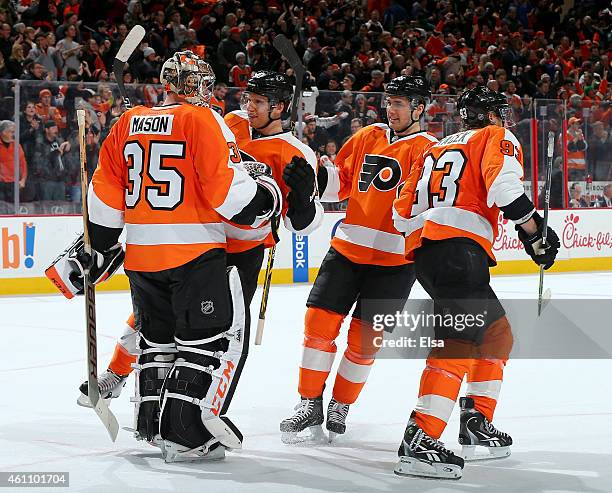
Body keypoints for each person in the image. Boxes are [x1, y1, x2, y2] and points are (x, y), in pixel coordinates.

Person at [76, 51, 283, 463]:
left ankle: (151, 424)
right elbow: (228, 195)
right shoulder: (203, 120)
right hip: (193, 250)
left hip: (141, 257)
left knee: (156, 342)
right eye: (202, 83)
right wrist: (266, 193)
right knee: (204, 343)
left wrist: (99, 243)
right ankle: (186, 437)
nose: (207, 91)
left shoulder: (126, 123)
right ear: (189, 85)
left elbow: (102, 203)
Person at [392, 86, 560, 479]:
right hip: (459, 255)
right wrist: (535, 234)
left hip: (428, 255)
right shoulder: (495, 137)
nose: (504, 119)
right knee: (460, 340)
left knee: (497, 334)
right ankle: (421, 436)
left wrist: (438, 225)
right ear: (490, 115)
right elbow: (504, 190)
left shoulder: (434, 149)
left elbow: (402, 216)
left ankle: (476, 423)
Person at [279, 75, 437, 442]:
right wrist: (315, 176)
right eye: (390, 102)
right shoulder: (369, 136)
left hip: (396, 264)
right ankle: (309, 403)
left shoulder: (430, 149)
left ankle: (341, 405)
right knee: (317, 328)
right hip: (347, 251)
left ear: (419, 108)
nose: (391, 109)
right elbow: (341, 183)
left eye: (400, 103)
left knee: (364, 343)